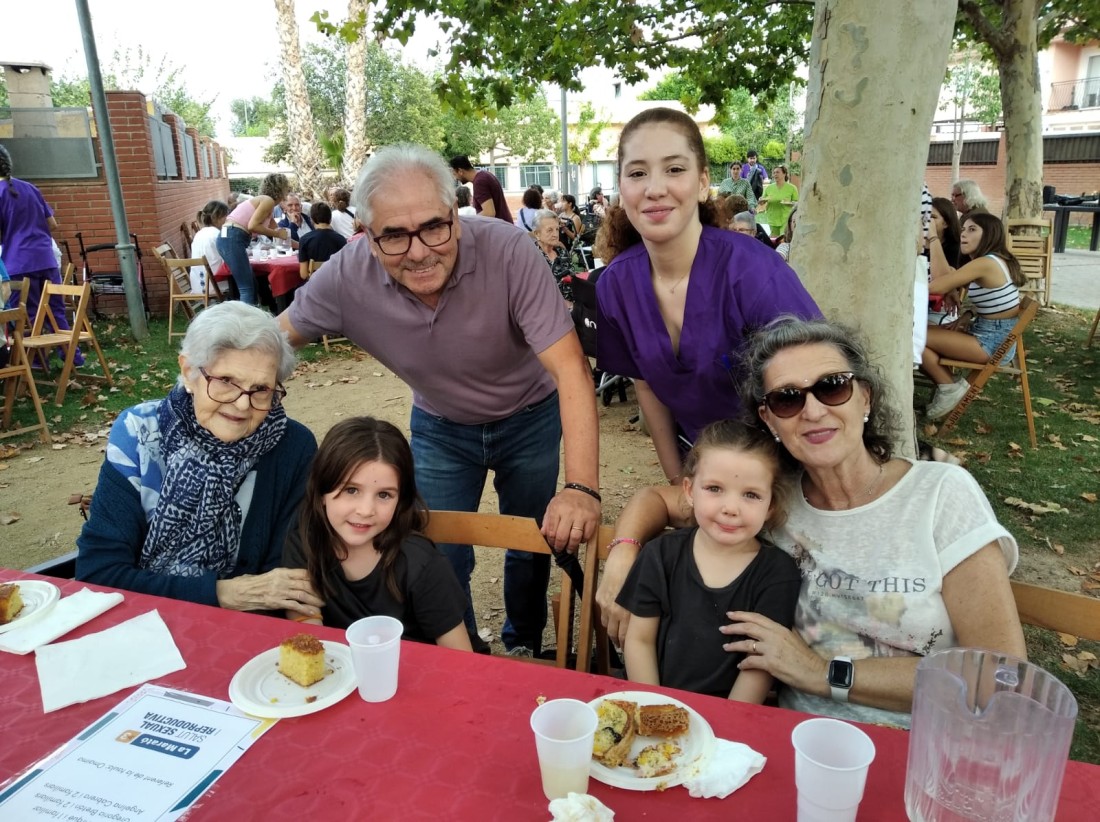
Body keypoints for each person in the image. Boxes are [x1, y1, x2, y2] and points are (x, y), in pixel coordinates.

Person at [597, 318, 1026, 728]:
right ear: (769, 419)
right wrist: (622, 555)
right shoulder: (770, 499)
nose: (814, 410)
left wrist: (823, 672)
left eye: (833, 387)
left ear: (865, 397)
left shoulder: (940, 494)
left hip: (920, 743)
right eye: (788, 398)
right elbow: (656, 499)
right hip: (791, 736)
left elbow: (998, 672)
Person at [278, 144, 600, 657]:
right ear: (366, 234)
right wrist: (211, 385)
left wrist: (581, 487)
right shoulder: (346, 275)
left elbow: (571, 370)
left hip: (530, 416)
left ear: (455, 213)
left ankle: (522, 644)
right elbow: (270, 342)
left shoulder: (509, 251)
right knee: (438, 550)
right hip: (441, 425)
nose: (419, 251)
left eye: (434, 226)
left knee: (534, 541)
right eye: (394, 235)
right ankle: (463, 654)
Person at [594, 107, 820, 482]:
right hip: (705, 474)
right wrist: (678, 483)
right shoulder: (615, 286)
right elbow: (646, 386)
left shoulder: (753, 271)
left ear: (702, 183)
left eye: (674, 169)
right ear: (621, 188)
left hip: (792, 470)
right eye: (637, 173)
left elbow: (816, 384)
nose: (654, 188)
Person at [76, 302, 321, 614]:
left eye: (261, 389)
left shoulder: (293, 446)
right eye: (226, 381)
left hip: (244, 631)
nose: (242, 405)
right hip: (140, 625)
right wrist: (218, 593)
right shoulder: (138, 434)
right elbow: (98, 575)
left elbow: (284, 579)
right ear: (188, 372)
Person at [618, 420, 801, 702]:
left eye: (751, 495)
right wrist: (654, 707)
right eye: (714, 488)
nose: (730, 508)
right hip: (654, 703)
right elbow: (639, 640)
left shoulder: (777, 574)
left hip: (730, 716)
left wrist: (727, 722)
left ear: (771, 505)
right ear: (690, 491)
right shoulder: (660, 555)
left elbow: (759, 665)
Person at [283, 416, 472, 649]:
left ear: (400, 500)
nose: (365, 510)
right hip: (339, 666)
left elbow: (460, 656)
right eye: (351, 490)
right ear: (322, 490)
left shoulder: (422, 564)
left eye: (384, 495)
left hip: (426, 668)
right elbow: (309, 634)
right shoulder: (304, 540)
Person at [922, 211, 1025, 419]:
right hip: (990, 335)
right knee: (918, 335)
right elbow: (994, 299)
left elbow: (936, 285)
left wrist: (933, 238)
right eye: (963, 229)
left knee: (913, 336)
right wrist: (968, 313)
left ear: (989, 235)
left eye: (972, 229)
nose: (963, 234)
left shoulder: (986, 263)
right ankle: (949, 385)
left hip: (992, 345)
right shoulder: (991, 261)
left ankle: (949, 387)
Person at [0, 144, 75, 344]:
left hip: (17, 262)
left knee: (26, 315)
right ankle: (72, 356)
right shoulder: (30, 188)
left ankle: (35, 358)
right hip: (45, 258)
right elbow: (53, 224)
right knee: (56, 311)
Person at [216, 173, 291, 305]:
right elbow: (253, 226)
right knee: (247, 288)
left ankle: (257, 312)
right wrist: (278, 235)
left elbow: (281, 233)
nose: (288, 190)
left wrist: (301, 245)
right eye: (286, 187)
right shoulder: (267, 201)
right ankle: (247, 318)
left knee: (252, 283)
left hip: (228, 237)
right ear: (280, 188)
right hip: (232, 237)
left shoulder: (266, 205)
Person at [925, 197, 963, 326]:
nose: (927, 221)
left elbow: (943, 280)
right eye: (925, 216)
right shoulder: (917, 245)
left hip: (939, 310)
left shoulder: (954, 248)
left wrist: (933, 237)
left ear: (946, 224)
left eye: (933, 217)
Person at [449, 155, 513, 223]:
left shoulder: (479, 182)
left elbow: (489, 213)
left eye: (454, 174)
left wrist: (468, 221)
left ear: (460, 171)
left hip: (499, 227)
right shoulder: (484, 175)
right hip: (504, 225)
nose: (455, 178)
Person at [531, 209, 575, 302]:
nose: (555, 234)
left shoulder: (562, 252)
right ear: (537, 234)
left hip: (572, 305)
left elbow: (573, 278)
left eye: (557, 229)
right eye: (550, 230)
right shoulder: (531, 257)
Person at [190, 200, 229, 294]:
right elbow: (230, 255)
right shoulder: (218, 234)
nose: (228, 219)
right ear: (218, 217)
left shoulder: (199, 233)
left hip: (198, 286)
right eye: (226, 216)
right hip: (217, 285)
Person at [758, 165, 798, 240]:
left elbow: (796, 203)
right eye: (774, 173)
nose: (775, 174)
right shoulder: (769, 188)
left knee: (784, 238)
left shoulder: (792, 188)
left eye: (777, 172)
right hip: (772, 218)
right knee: (774, 240)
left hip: (786, 218)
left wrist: (790, 203)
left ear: (784, 174)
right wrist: (761, 201)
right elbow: (762, 201)